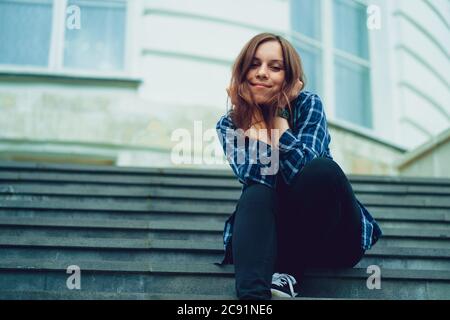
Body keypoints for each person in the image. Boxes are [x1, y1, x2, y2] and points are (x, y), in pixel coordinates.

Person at [215, 33, 383, 300]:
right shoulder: (230, 124)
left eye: (275, 67)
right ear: (242, 71)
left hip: (331, 233)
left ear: (290, 76)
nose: (261, 73)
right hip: (274, 236)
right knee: (256, 193)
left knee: (322, 170)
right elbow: (259, 179)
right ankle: (253, 300)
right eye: (254, 64)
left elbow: (303, 170)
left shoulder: (309, 105)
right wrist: (256, 123)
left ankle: (288, 272)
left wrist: (279, 122)